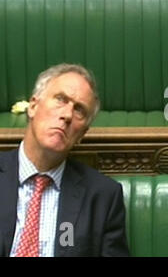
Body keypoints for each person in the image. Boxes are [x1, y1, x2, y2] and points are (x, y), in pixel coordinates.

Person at [0, 63, 129, 257]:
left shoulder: (103, 196)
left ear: (81, 135)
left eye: (79, 110)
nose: (67, 115)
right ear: (33, 106)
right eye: (61, 99)